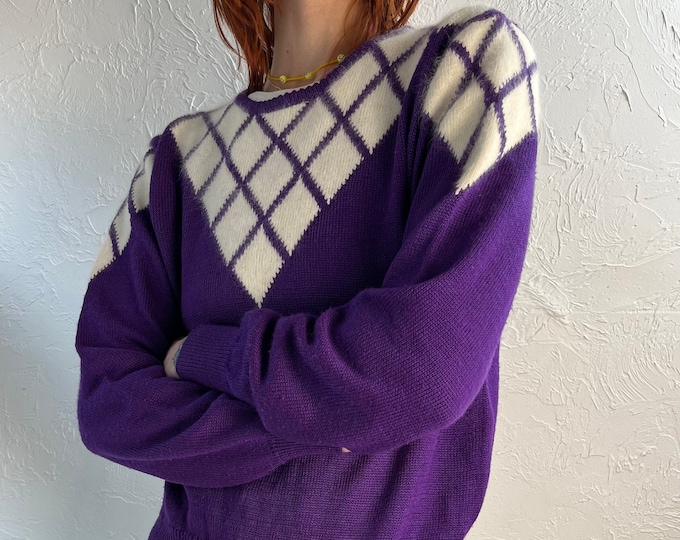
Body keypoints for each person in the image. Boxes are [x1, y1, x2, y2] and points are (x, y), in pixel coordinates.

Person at [74, 0, 540, 537]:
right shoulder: (178, 160)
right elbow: (107, 404)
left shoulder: (461, 68)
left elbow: (422, 372)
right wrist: (336, 413)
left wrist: (201, 355)